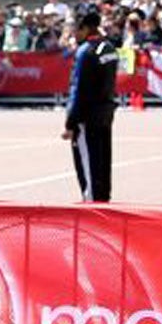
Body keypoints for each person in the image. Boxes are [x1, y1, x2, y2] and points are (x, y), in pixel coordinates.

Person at [64, 11, 118, 203]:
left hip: (88, 117)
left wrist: (70, 122)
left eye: (76, 30)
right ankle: (104, 200)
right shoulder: (109, 48)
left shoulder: (85, 52)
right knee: (103, 161)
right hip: (106, 111)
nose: (74, 34)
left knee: (89, 165)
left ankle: (93, 204)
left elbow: (78, 90)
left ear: (85, 29)